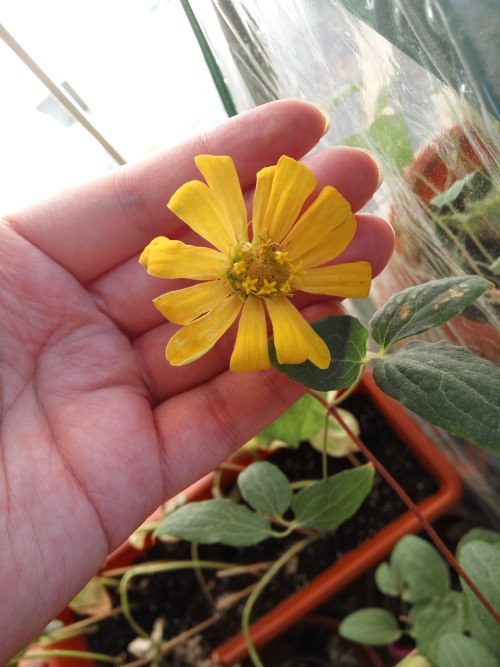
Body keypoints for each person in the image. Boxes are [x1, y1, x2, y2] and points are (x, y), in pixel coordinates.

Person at [0, 99, 394, 660]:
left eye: (264, 262)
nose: (259, 264)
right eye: (255, 262)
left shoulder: (279, 283)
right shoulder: (220, 291)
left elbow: (338, 276)